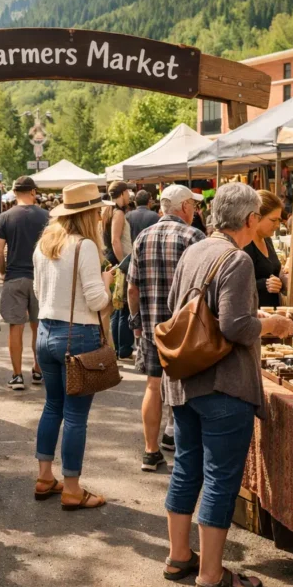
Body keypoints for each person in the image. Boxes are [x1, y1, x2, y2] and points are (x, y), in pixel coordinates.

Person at [162, 182, 293, 587]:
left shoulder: (195, 250)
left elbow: (173, 308)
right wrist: (272, 324)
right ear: (251, 219)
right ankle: (211, 575)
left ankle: (179, 556)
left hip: (186, 381)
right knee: (220, 478)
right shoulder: (236, 259)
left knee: (187, 468)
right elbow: (237, 326)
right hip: (223, 385)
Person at [32, 182, 115, 510]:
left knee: (52, 406)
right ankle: (72, 488)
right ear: (88, 215)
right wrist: (108, 287)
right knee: (76, 415)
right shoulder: (85, 247)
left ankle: (43, 477)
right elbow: (96, 299)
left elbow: (40, 293)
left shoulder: (44, 245)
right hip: (77, 336)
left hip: (45, 333)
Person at [127, 185, 205, 472]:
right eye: (193, 206)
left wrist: (136, 322)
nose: (196, 211)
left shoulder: (142, 237)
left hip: (151, 325)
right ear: (184, 207)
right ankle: (180, 446)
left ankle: (150, 451)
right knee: (186, 386)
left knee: (153, 385)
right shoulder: (193, 236)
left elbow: (132, 288)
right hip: (184, 326)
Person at [0, 176, 49, 390]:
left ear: (15, 193)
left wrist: (3, 271)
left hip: (14, 277)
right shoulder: (46, 216)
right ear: (33, 192)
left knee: (15, 327)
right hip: (40, 278)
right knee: (39, 327)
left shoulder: (5, 217)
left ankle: (17, 375)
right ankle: (38, 370)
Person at [103, 181, 134, 360]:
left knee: (116, 309)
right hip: (119, 263)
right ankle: (121, 349)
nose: (129, 196)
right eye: (127, 192)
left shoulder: (108, 210)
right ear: (122, 194)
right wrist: (124, 263)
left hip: (111, 261)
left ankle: (115, 350)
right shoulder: (118, 213)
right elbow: (115, 240)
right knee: (122, 309)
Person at [245, 190, 285, 309]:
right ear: (256, 217)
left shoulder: (267, 240)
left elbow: (272, 271)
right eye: (273, 220)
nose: (277, 225)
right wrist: (264, 284)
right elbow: (237, 285)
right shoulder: (245, 244)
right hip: (254, 314)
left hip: (272, 311)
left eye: (279, 220)